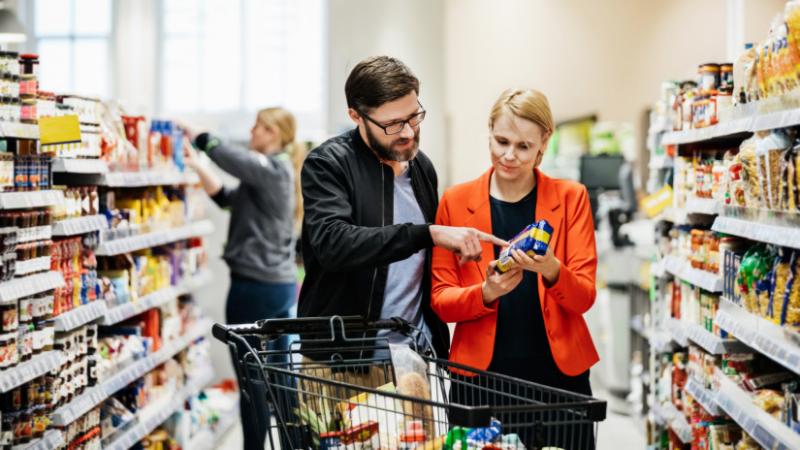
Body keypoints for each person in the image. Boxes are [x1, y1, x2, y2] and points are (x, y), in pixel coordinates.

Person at [298, 55, 507, 362]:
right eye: (393, 124)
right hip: (343, 361)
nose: (408, 133)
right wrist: (429, 234)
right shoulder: (328, 165)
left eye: (414, 117)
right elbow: (334, 245)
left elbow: (418, 260)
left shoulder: (421, 168)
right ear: (356, 116)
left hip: (413, 356)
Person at [430, 89, 599, 449]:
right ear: (489, 130)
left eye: (524, 146)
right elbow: (441, 300)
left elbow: (583, 297)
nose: (509, 156)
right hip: (480, 380)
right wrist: (487, 292)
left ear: (543, 144)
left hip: (558, 379)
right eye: (501, 141)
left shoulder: (572, 198)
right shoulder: (455, 203)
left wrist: (552, 268)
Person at [182, 107, 304, 450]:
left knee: (252, 381)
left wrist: (200, 135)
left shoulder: (272, 168)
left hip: (255, 288)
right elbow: (228, 198)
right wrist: (198, 167)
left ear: (275, 134)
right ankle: (295, 443)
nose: (252, 132)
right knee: (280, 378)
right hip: (277, 288)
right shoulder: (274, 175)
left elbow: (236, 162)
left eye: (259, 127)